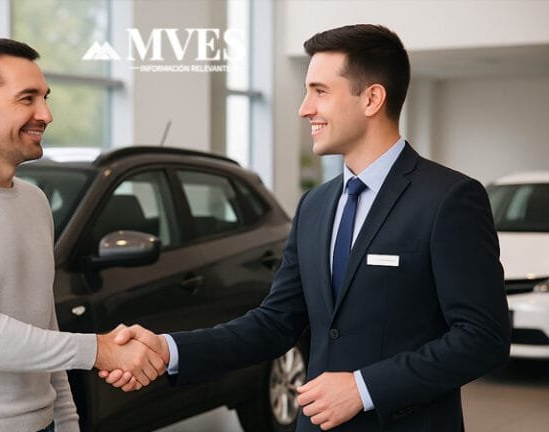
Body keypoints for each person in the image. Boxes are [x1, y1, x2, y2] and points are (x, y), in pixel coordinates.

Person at [101, 24, 511, 431]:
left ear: (372, 98)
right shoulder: (316, 205)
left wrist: (363, 388)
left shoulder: (450, 198)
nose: (304, 108)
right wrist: (168, 349)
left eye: (319, 91)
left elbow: (482, 337)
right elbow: (274, 322)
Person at [0, 38, 164, 432]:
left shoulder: (35, 202)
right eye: (27, 99)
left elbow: (43, 323)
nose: (46, 114)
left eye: (45, 97)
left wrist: (66, 421)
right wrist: (98, 350)